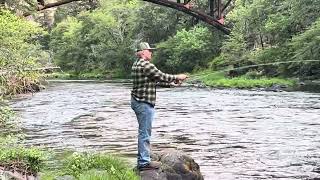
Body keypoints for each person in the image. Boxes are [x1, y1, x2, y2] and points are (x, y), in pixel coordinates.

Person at [131, 42, 188, 170]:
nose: (151, 52)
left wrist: (171, 84)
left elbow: (153, 80)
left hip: (138, 101)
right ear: (143, 52)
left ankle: (143, 159)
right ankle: (144, 163)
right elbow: (161, 76)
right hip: (143, 102)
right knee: (144, 133)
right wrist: (177, 77)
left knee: (143, 132)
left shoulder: (137, 64)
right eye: (149, 50)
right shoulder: (145, 64)